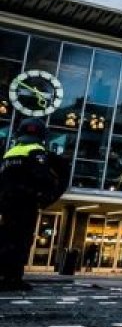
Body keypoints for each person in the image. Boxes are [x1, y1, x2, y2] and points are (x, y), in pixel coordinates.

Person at [0, 118, 67, 291]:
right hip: (25, 203)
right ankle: (13, 278)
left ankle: (5, 274)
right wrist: (47, 196)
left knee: (7, 238)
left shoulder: (11, 152)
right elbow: (44, 177)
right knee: (21, 240)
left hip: (7, 203)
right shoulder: (37, 152)